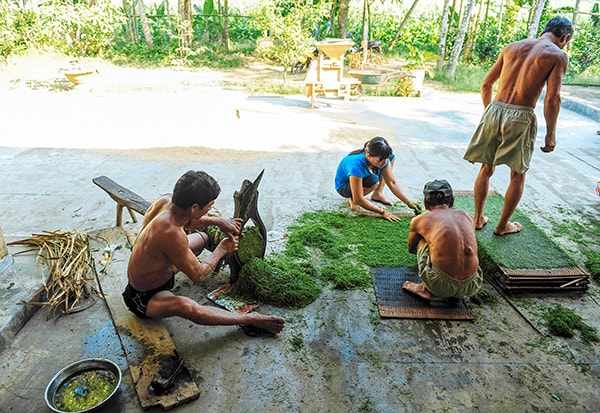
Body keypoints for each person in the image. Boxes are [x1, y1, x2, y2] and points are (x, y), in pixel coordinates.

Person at [123, 170, 285, 335]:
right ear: (194, 207)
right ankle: (250, 319)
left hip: (157, 267)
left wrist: (219, 221)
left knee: (203, 238)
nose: (210, 209)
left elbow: (187, 222)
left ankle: (209, 245)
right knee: (188, 307)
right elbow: (198, 274)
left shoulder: (166, 201)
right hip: (143, 296)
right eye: (210, 206)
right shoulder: (171, 233)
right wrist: (222, 249)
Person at [463, 16, 574, 235]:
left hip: (494, 109)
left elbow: (486, 85)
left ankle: (477, 218)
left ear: (544, 31)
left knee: (487, 167)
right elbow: (552, 99)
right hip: (521, 115)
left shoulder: (512, 47)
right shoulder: (558, 55)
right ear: (565, 37)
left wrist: (489, 113)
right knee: (517, 173)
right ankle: (503, 225)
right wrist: (551, 134)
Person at [402, 180, 483, 301]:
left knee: (422, 240)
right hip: (473, 284)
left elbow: (411, 248)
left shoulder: (421, 219)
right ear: (452, 201)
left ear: (425, 203)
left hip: (439, 285)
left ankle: (425, 289)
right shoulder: (467, 216)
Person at [335, 136, 421, 222]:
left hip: (363, 175)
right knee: (374, 182)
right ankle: (352, 199)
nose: (384, 163)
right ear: (369, 156)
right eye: (380, 160)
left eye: (385, 159)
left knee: (391, 159)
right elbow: (359, 199)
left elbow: (392, 183)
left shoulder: (382, 160)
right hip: (344, 186)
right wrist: (382, 212)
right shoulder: (356, 167)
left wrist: (408, 202)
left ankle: (377, 194)